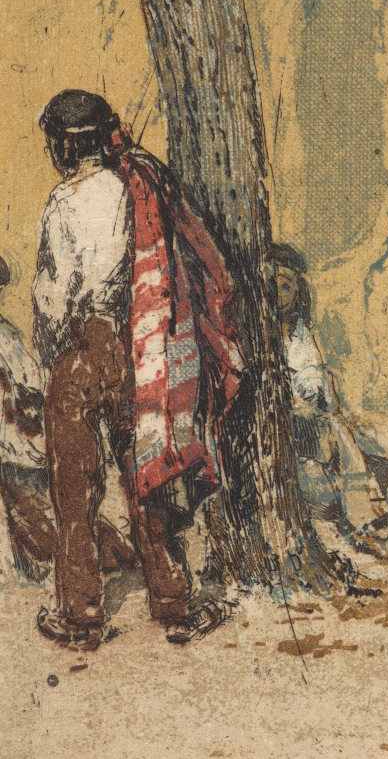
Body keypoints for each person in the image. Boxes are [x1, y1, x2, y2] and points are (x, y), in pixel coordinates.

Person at [32, 90, 239, 649]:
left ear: (62, 147)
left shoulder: (63, 203)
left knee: (73, 490)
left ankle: (80, 616)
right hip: (140, 346)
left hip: (86, 349)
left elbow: (54, 295)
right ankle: (174, 602)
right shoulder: (138, 185)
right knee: (144, 473)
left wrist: (53, 351)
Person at [268, 244, 388, 562]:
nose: (279, 293)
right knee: (329, 449)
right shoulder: (260, 333)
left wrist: (324, 405)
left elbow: (318, 382)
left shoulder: (301, 331)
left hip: (313, 420)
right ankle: (365, 524)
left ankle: (370, 524)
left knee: (338, 434)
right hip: (282, 421)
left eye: (286, 286)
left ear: (297, 290)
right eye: (272, 285)